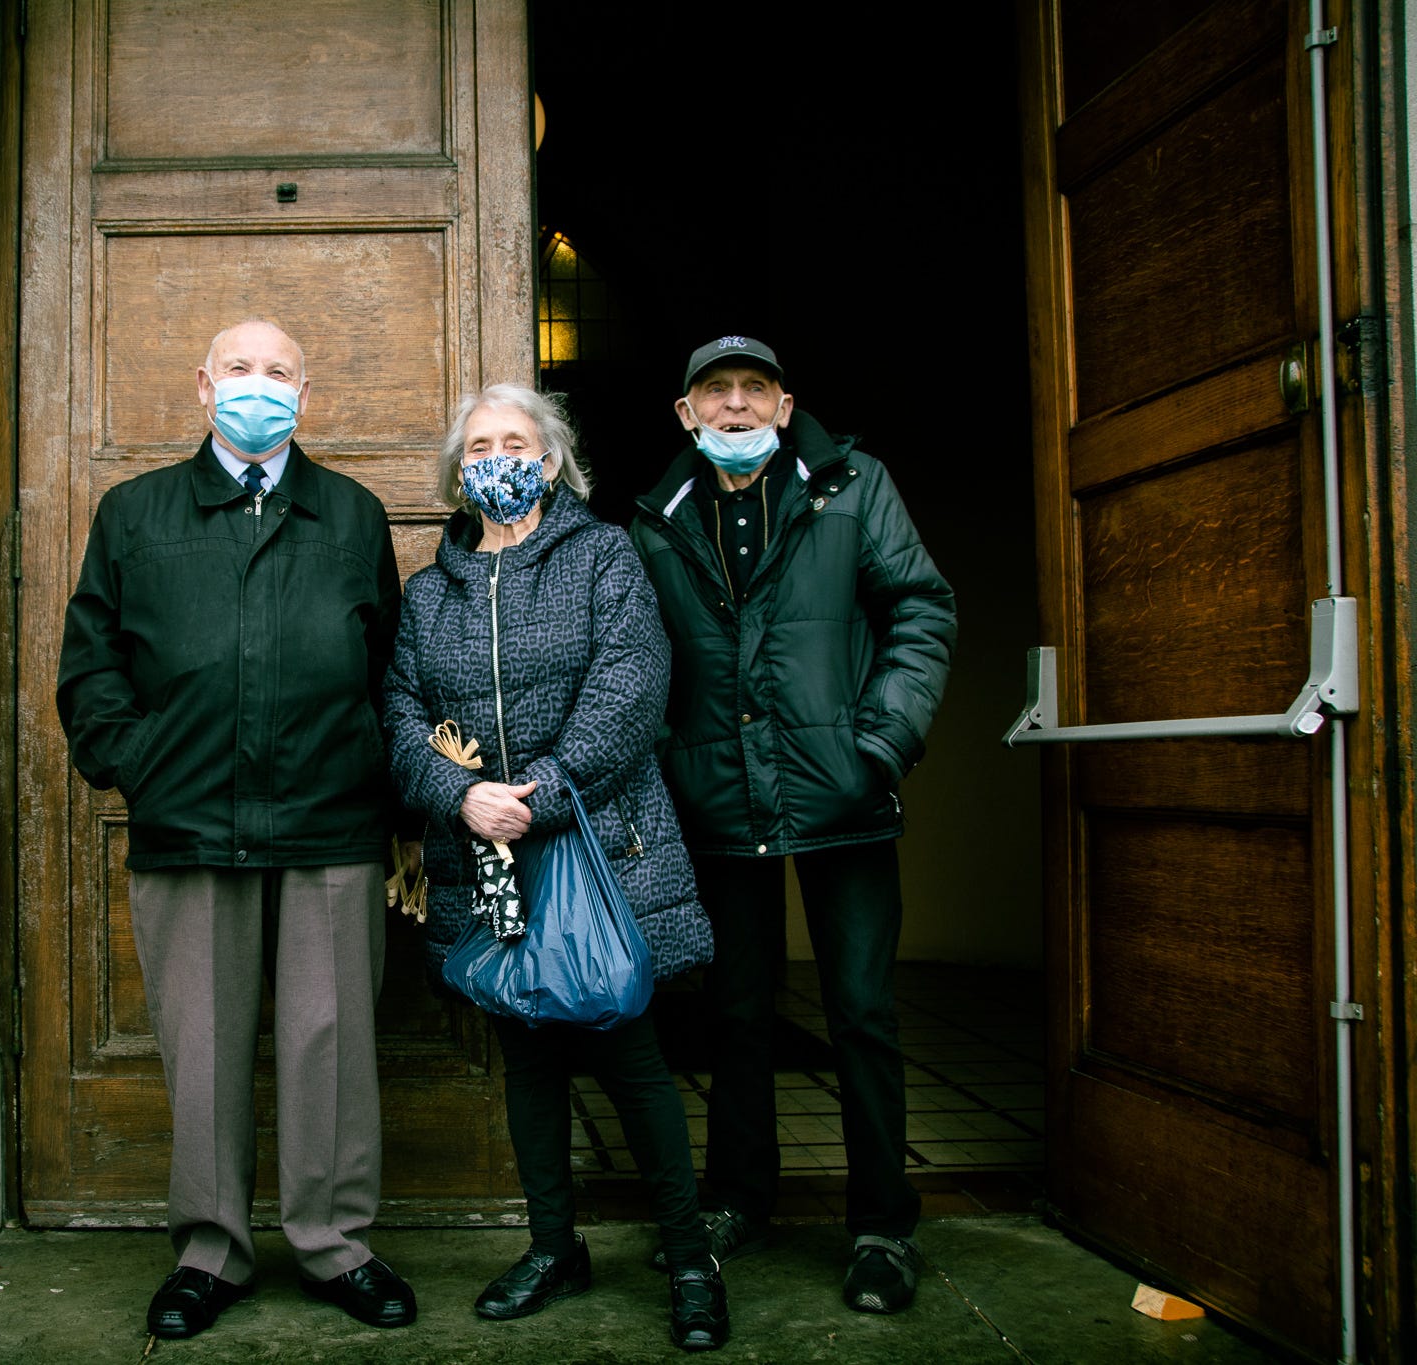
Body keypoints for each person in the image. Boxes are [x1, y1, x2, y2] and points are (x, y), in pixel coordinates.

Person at [57, 319, 416, 1339]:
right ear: (202, 387)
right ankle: (209, 1253)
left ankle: (336, 1244)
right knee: (203, 1051)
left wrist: (383, 799)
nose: (257, 388)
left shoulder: (349, 513)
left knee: (328, 1044)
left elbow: (384, 665)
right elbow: (90, 668)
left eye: (278, 374)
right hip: (187, 823)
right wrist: (140, 765)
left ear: (305, 398)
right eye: (239, 370)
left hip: (328, 824)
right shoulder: (133, 513)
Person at [383, 384, 729, 1353]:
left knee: (629, 1056)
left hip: (592, 843)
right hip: (480, 856)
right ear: (460, 473)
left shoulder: (601, 557)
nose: (498, 458)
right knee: (526, 1058)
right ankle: (551, 1246)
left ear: (550, 461)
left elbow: (630, 686)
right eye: (480, 445)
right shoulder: (427, 591)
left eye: (516, 443)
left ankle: (689, 1259)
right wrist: (458, 797)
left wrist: (532, 790)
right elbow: (400, 716)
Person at [629, 335, 956, 1314]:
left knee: (859, 1015)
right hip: (717, 801)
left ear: (782, 403)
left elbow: (920, 609)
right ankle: (737, 1198)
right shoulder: (657, 517)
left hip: (840, 798)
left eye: (752, 389)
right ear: (686, 415)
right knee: (734, 1017)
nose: (734, 406)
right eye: (713, 393)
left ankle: (879, 1225)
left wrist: (878, 742)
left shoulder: (853, 485)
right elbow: (641, 659)